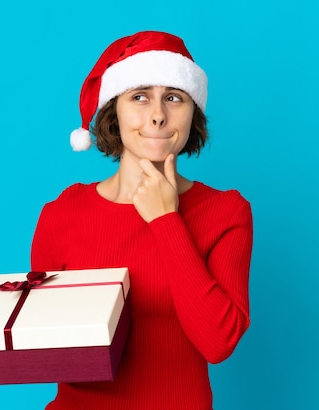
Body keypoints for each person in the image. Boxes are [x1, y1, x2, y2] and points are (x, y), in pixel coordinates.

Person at [31, 31, 253, 410]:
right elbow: (48, 347)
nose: (157, 114)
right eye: (139, 96)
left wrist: (166, 219)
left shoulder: (225, 212)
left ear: (192, 112)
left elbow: (218, 343)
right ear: (113, 110)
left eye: (173, 97)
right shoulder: (62, 213)